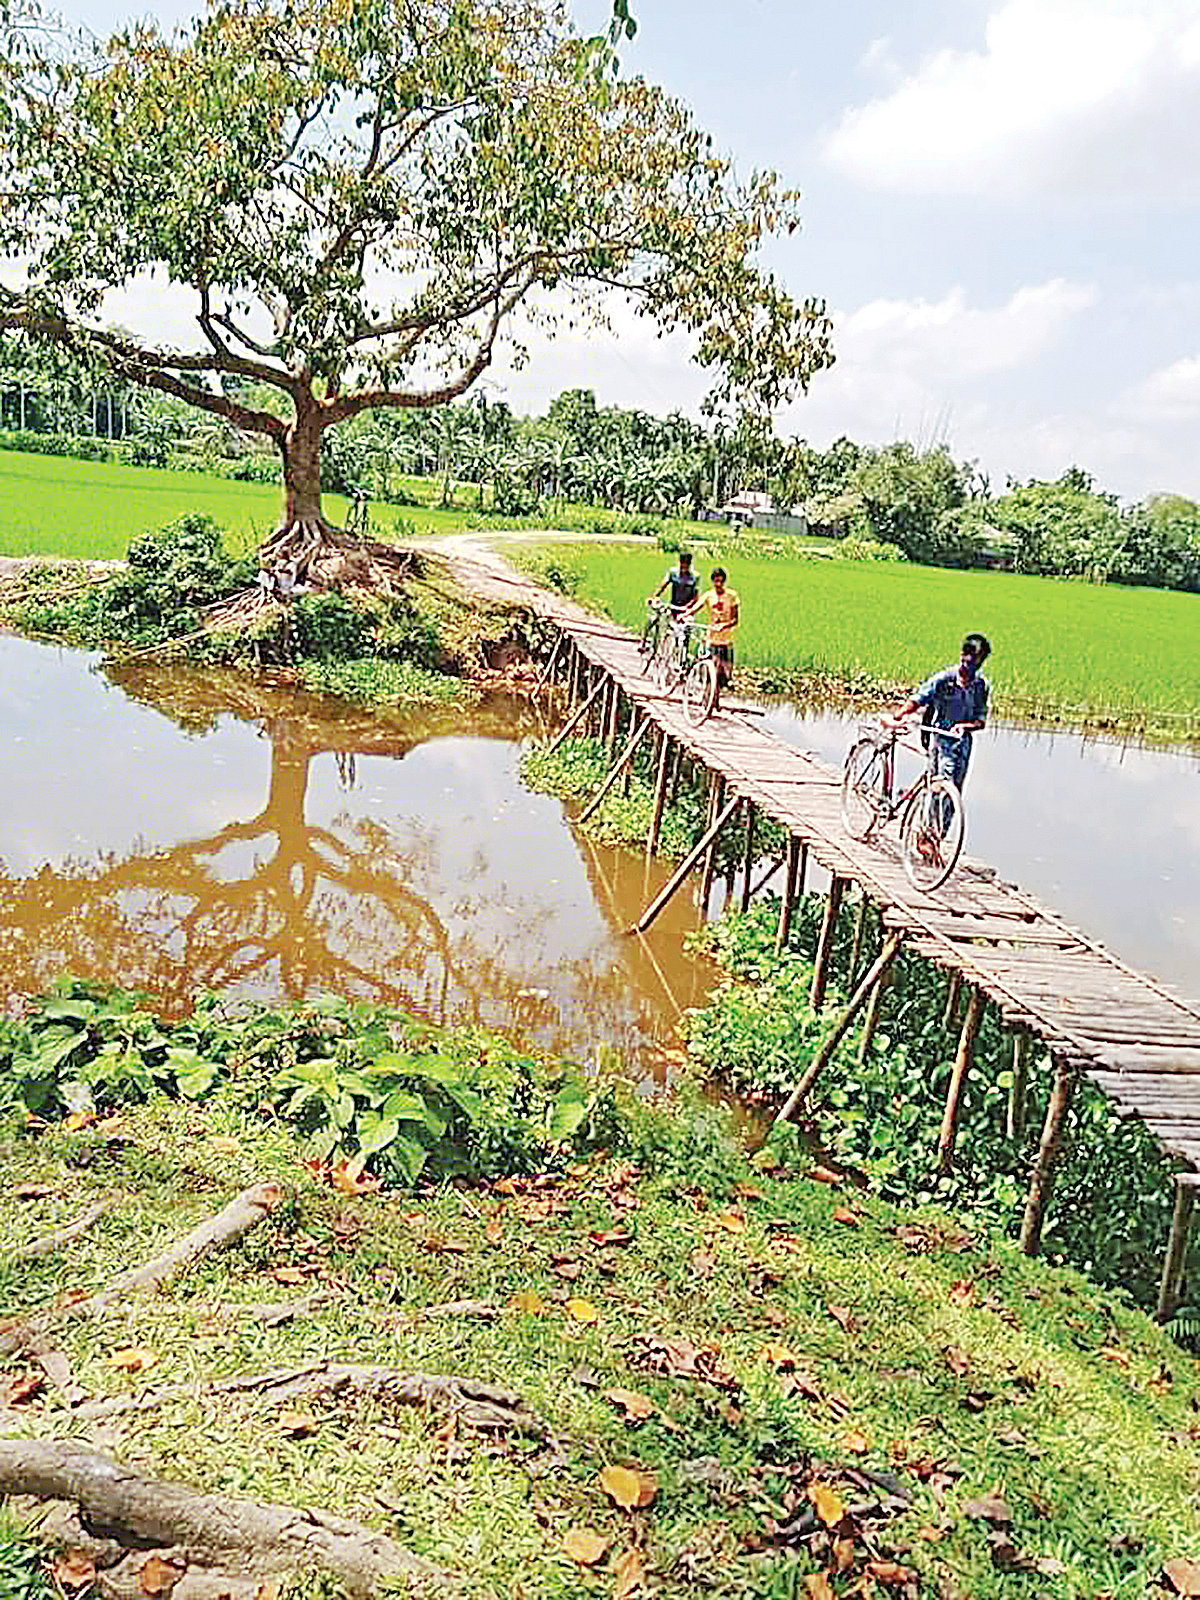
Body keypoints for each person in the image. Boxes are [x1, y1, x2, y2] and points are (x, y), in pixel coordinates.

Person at [892, 632, 992, 792]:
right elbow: (919, 698)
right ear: (962, 655)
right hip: (941, 735)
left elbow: (980, 721)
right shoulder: (945, 679)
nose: (972, 664)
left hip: (963, 742)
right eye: (969, 657)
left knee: (955, 790)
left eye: (978, 660)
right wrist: (900, 715)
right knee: (943, 779)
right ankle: (932, 816)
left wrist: (964, 726)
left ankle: (946, 817)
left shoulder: (981, 686)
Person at [686, 565, 740, 709]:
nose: (718, 584)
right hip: (712, 640)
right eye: (716, 581)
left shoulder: (732, 596)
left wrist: (725, 625)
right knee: (712, 672)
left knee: (724, 675)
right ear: (712, 581)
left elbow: (735, 620)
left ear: (724, 581)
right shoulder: (709, 596)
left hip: (726, 640)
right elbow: (696, 607)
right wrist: (685, 615)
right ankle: (708, 700)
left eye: (721, 582)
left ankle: (715, 700)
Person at [647, 550, 699, 615]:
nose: (684, 565)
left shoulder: (695, 577)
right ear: (679, 562)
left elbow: (695, 597)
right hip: (673, 606)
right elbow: (662, 586)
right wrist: (654, 597)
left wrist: (688, 608)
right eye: (683, 562)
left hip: (687, 609)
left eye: (687, 563)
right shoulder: (673, 573)